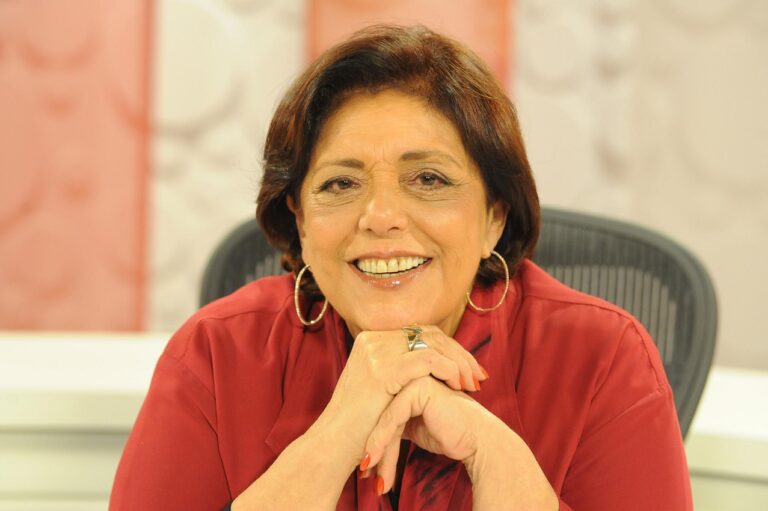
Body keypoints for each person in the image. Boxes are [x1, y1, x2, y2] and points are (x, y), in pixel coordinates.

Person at [110, 25, 693, 510]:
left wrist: (494, 454)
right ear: (301, 222)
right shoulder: (214, 355)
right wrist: (337, 431)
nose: (381, 217)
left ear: (494, 216)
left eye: (429, 179)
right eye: (341, 184)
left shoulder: (604, 359)